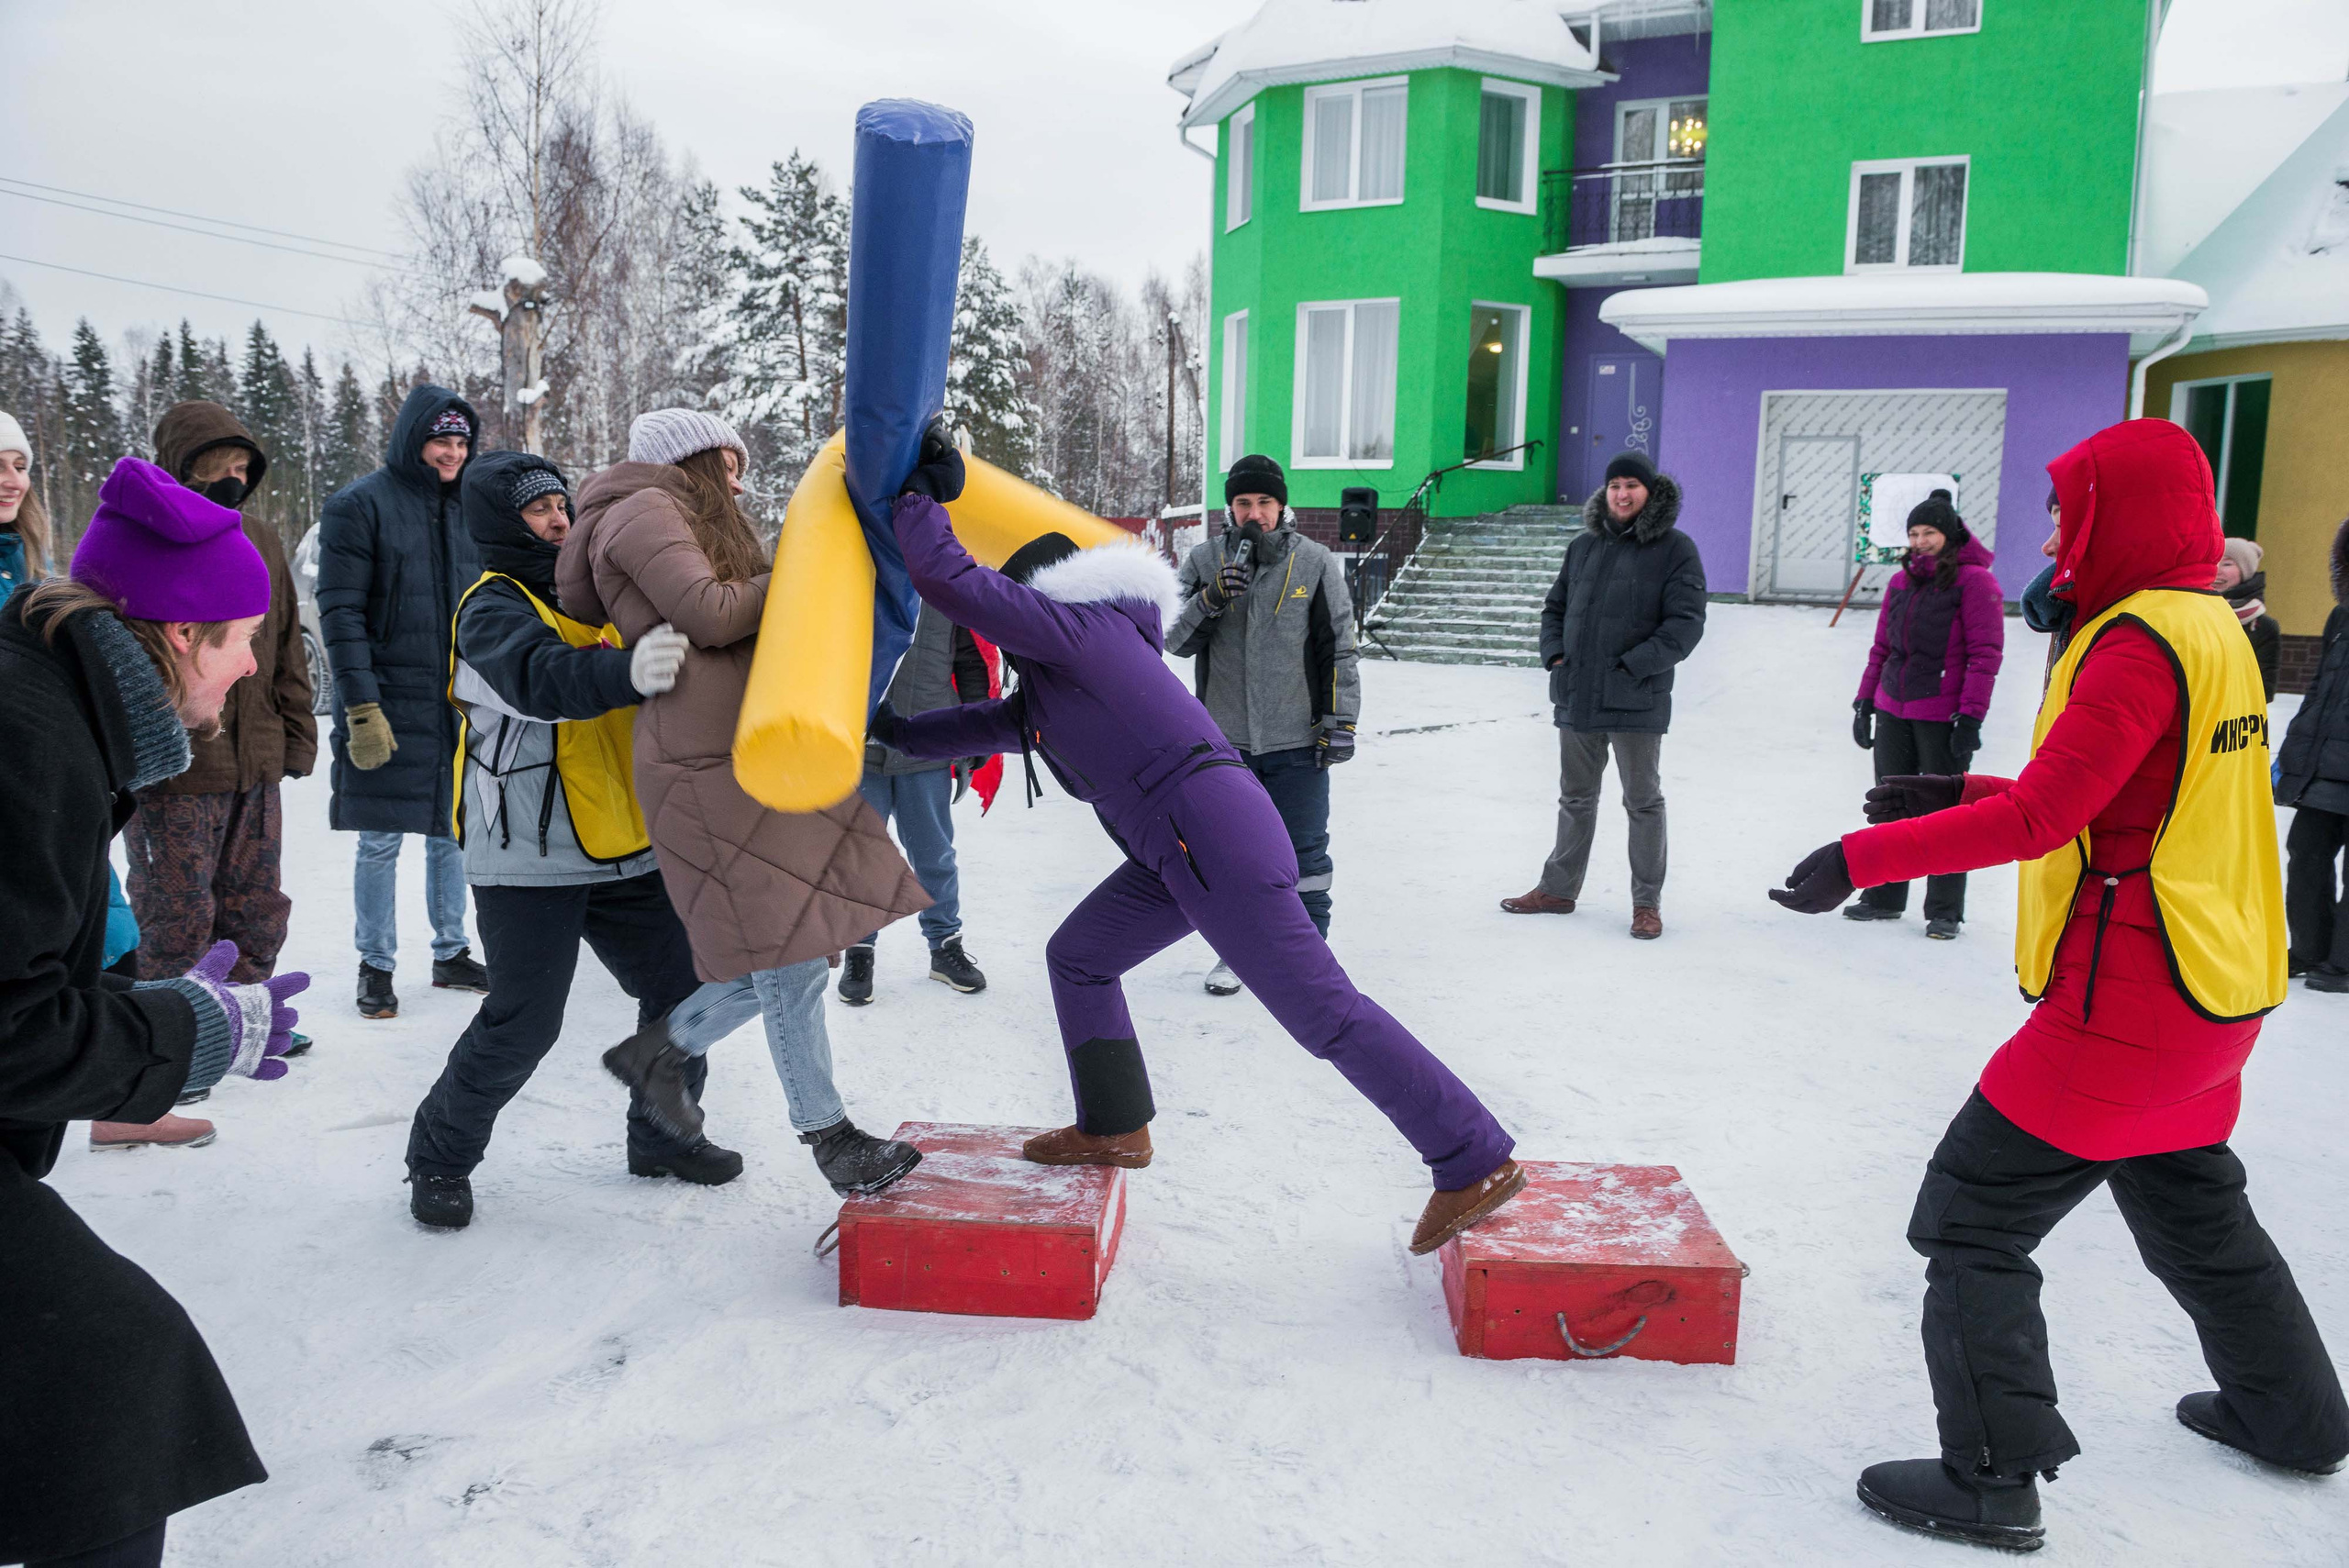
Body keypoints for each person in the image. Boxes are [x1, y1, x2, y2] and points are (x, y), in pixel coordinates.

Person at [1770, 418, 2348, 1552]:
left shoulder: (2136, 639)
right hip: (2211, 990)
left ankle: (1990, 1477)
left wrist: (1858, 857)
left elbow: (2049, 815)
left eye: (2065, 504)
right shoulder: (2210, 625)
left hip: (2127, 999)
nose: (2050, 526)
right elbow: (2116, 777)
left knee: (1970, 1217)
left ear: (2117, 511)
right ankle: (2297, 1417)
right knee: (2196, 1211)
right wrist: (1942, 788)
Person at [873, 421, 1524, 1255]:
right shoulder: (1055, 684)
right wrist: (886, 731)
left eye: (1017, 610)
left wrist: (922, 495)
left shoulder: (1077, 631)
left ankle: (1472, 1154)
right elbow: (977, 725)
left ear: (1041, 596)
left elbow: (948, 576)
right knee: (1080, 955)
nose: (1010, 632)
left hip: (1209, 836)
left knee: (1324, 1011)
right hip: (1178, 846)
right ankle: (1114, 1124)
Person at [1, 457, 306, 1568]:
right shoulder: (30, 735)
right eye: (241, 639)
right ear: (179, 633)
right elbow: (8, 1029)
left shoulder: (47, 702)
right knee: (108, 1380)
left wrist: (157, 1008)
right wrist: (194, 1034)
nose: (245, 668)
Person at [560, 408, 926, 1195]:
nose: (739, 477)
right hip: (702, 765)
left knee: (791, 948)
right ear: (690, 457)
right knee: (788, 950)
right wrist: (804, 568)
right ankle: (830, 1138)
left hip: (736, 754)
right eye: (729, 461)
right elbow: (711, 613)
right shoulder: (643, 509)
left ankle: (658, 1053)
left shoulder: (671, 514)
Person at [401, 450, 744, 1227]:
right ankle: (439, 1157)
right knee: (525, 1020)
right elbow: (541, 679)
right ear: (500, 525)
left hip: (625, 837)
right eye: (536, 509)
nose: (558, 518)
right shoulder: (490, 608)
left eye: (562, 503)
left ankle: (661, 1135)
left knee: (687, 989)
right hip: (529, 851)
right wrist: (627, 671)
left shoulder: (600, 593)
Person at [103, 403, 317, 1152]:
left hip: (254, 759)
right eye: (215, 462)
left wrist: (295, 731)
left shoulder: (260, 538)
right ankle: (158, 1057)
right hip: (177, 766)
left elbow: (285, 644)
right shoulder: (151, 538)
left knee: (258, 902)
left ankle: (244, 1024)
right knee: (176, 910)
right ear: (179, 464)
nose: (232, 475)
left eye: (242, 464)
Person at [315, 385, 488, 1019]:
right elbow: (341, 613)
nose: (452, 451)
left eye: (462, 441)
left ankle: (450, 951)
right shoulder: (360, 506)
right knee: (381, 839)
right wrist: (360, 706)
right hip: (390, 701)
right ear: (414, 440)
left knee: (451, 834)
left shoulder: (473, 506)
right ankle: (376, 964)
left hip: (460, 704)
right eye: (441, 439)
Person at [1167, 453, 1359, 996]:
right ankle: (1236, 956)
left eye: (1265, 502)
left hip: (1297, 740)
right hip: (1225, 745)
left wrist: (1339, 721)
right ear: (1230, 507)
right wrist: (1211, 599)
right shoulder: (1206, 560)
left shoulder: (1316, 562)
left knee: (1305, 858)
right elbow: (1172, 640)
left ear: (1282, 505)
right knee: (1229, 858)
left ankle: (1309, 962)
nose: (1255, 513)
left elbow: (1338, 648)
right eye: (1244, 502)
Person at [1501, 450, 1707, 939]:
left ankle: (1646, 904)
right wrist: (1555, 655)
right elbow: (1555, 608)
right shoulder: (1584, 546)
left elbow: (1686, 624)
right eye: (1615, 484)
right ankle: (1558, 889)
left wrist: (1633, 665)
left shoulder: (1675, 548)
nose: (1622, 493)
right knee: (1575, 798)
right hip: (1577, 696)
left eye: (1632, 485)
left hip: (1636, 697)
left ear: (1649, 493)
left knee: (1643, 802)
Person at [1845, 492, 2003, 940]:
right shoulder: (1901, 582)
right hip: (1893, 706)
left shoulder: (1976, 583)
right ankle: (1885, 895)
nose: (1920, 541)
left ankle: (1946, 910)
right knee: (1890, 804)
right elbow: (1882, 648)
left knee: (1948, 814)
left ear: (1949, 534)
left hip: (1942, 715)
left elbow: (1984, 655)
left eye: (1928, 533)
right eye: (1914, 534)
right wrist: (1865, 701)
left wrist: (1970, 717)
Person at [839, 602, 994, 1006]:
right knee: (861, 858)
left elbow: (970, 662)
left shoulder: (945, 586)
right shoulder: (860, 571)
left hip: (928, 743)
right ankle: (859, 950)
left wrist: (974, 735)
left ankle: (944, 947)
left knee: (934, 855)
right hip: (859, 749)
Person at [2275, 516, 2349, 993]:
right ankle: (2308, 948)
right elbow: (2319, 689)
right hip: (2327, 764)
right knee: (2305, 852)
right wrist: (2295, 753)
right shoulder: (2340, 617)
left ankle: (2341, 963)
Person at [2213, 536, 2280, 701]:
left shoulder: (2262, 626)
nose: (2217, 569)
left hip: (2232, 717)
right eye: (2213, 562)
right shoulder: (2192, 612)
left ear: (2245, 571)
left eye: (2227, 564)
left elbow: (2265, 689)